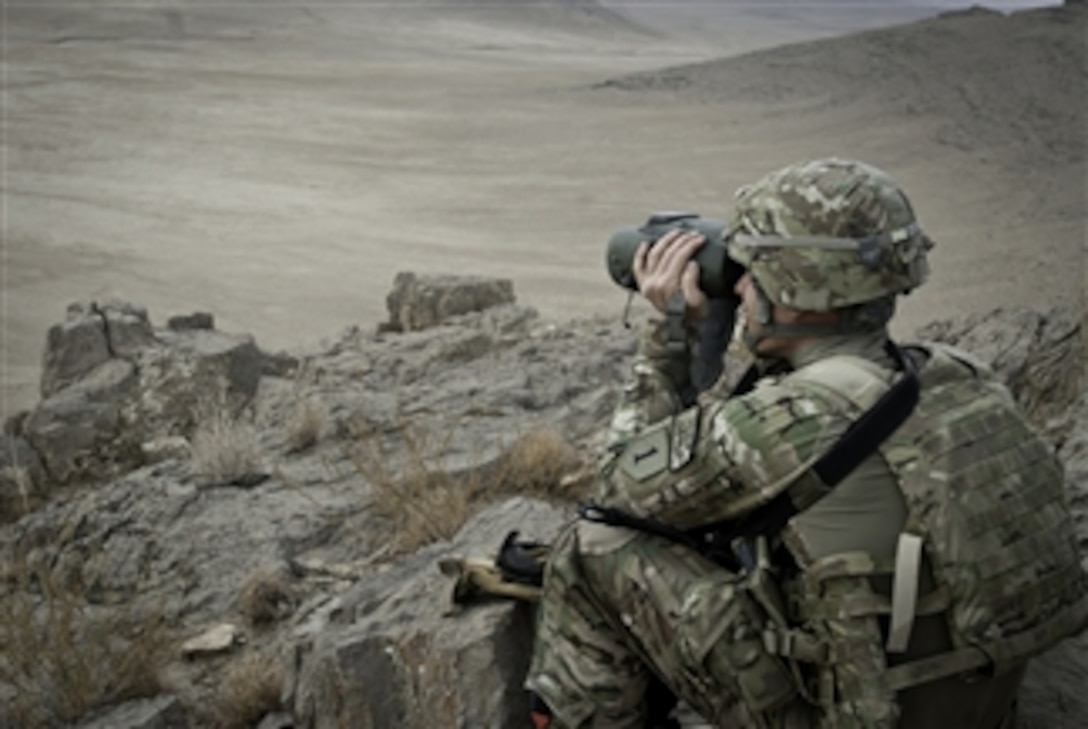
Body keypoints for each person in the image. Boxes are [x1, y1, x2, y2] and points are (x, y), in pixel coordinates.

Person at [524, 158, 1088, 728]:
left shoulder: (796, 419)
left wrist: (667, 344)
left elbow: (617, 488)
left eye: (752, 270)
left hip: (850, 714)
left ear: (798, 287)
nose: (739, 285)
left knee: (591, 546)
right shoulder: (963, 376)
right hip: (968, 702)